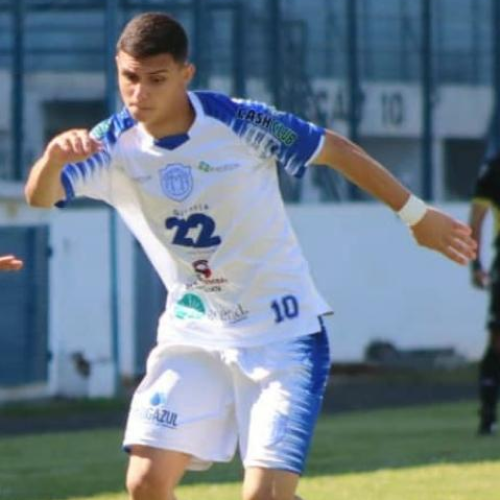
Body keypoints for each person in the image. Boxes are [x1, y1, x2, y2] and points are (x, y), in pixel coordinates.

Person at [25, 12, 476, 500]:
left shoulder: (241, 122)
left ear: (185, 74)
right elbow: (40, 197)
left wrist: (415, 215)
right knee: (145, 484)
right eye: (130, 77)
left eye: (156, 79)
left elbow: (335, 150)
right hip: (194, 332)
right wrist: (52, 159)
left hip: (282, 333)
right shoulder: (110, 143)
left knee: (265, 497)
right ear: (117, 66)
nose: (140, 93)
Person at [469, 149, 500, 435]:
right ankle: (488, 413)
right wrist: (476, 263)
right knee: (497, 338)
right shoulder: (495, 167)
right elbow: (477, 217)